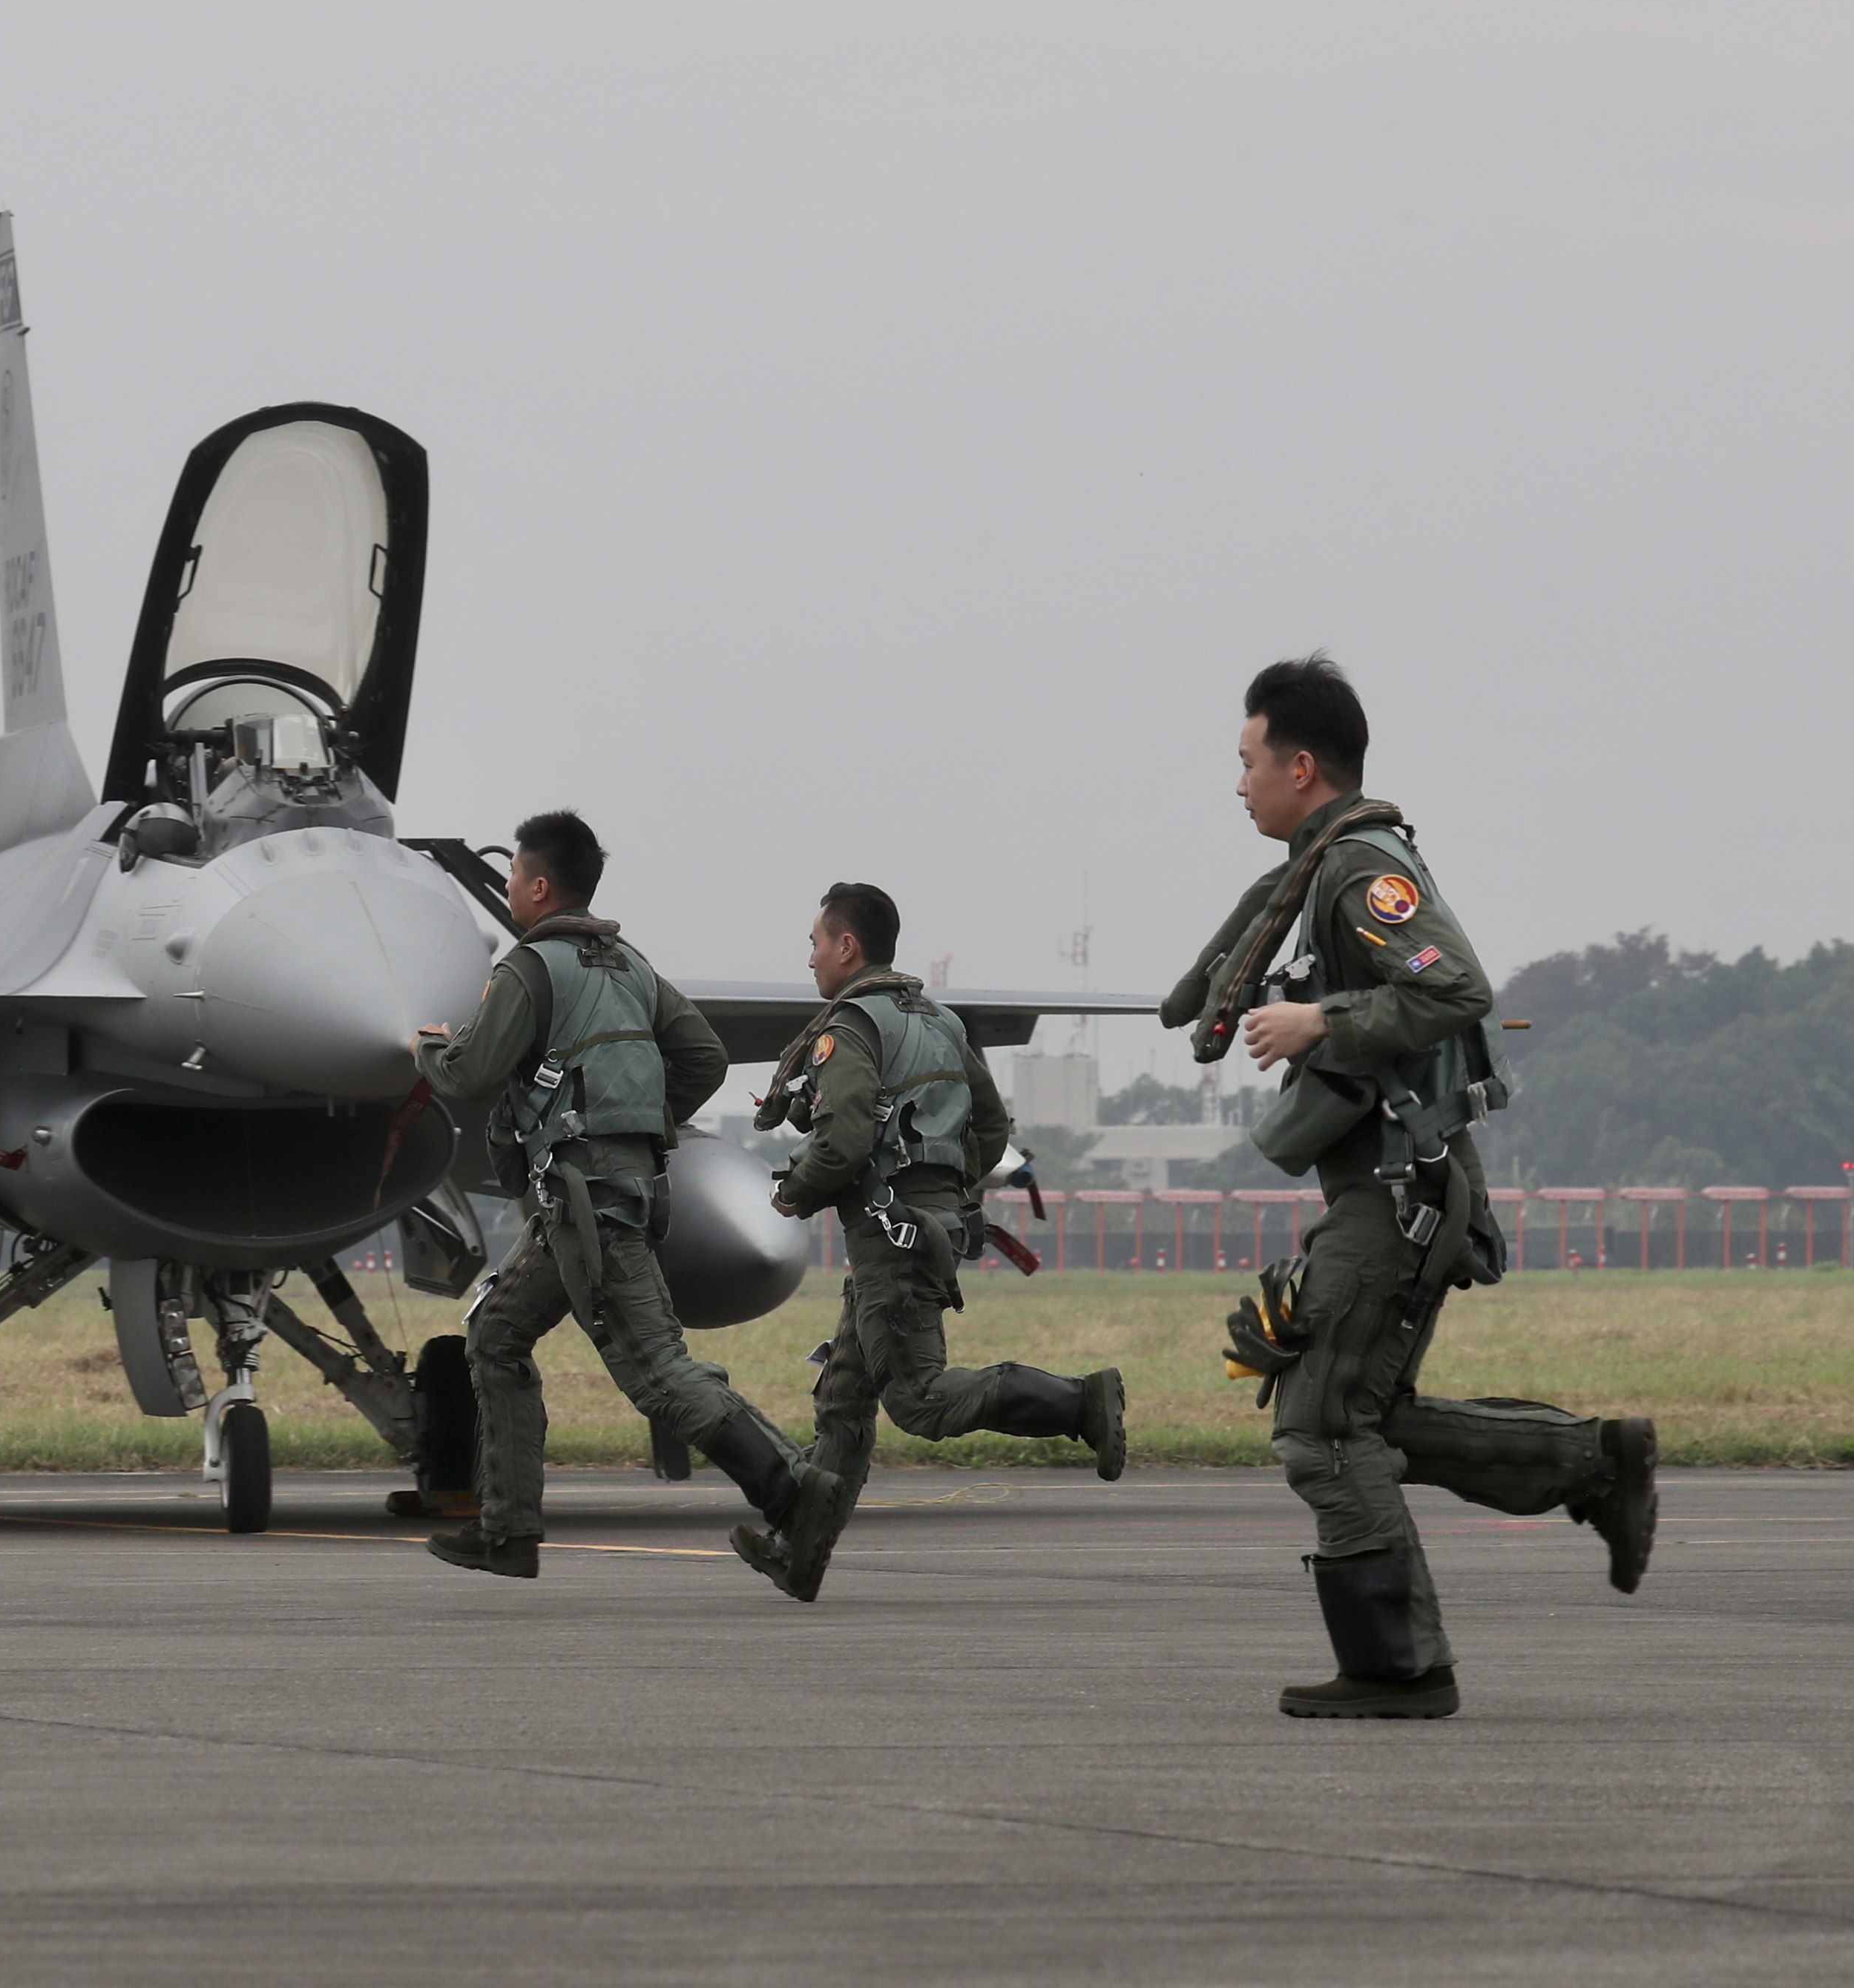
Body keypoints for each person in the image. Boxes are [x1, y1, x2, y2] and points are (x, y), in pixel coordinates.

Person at [1169, 654, 1657, 1719]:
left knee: (1320, 1428)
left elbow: (1454, 984)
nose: (1237, 781)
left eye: (1246, 760)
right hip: (1394, 1188)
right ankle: (1591, 1463)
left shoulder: (1357, 870)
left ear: (1301, 766)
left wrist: (1319, 1022)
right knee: (1370, 1414)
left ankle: (1399, 1666)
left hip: (1396, 1194)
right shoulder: (1325, 870)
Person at [412, 810, 849, 1595]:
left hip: (586, 1203)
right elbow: (704, 1057)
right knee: (497, 1337)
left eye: (513, 874)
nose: (508, 886)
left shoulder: (529, 969)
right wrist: (637, 1123)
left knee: (657, 1372)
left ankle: (795, 1493)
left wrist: (427, 1044)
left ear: (540, 885)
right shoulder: (628, 966)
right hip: (599, 1196)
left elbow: (468, 1075)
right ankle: (508, 1530)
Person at [743, 883, 1125, 1599]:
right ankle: (799, 1551)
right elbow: (990, 1128)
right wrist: (943, 1195)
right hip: (915, 1228)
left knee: (917, 1399)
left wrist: (793, 1191)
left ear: (846, 947)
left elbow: (846, 1136)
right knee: (844, 1396)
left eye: (815, 943)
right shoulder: (940, 1020)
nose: (811, 959)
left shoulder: (852, 1028)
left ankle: (1081, 1403)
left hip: (890, 1239)